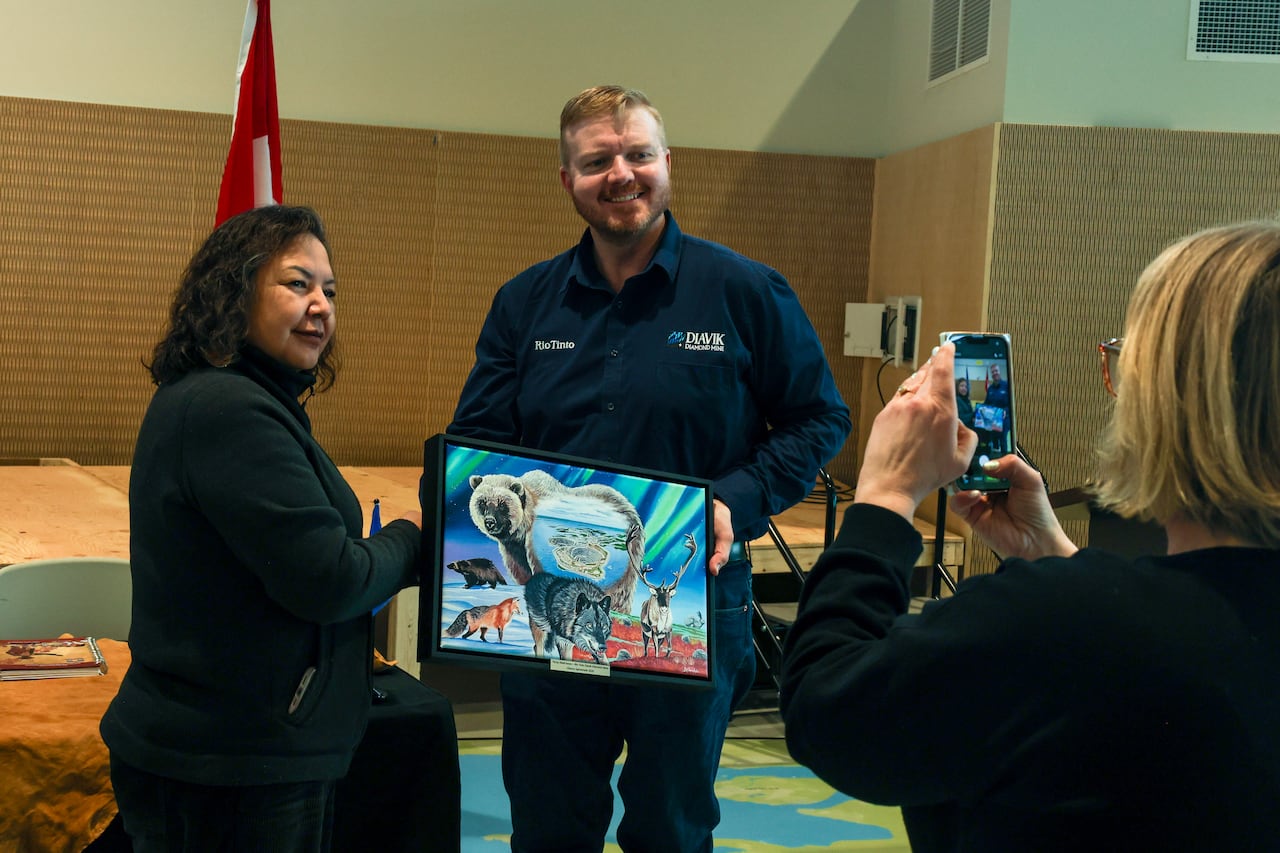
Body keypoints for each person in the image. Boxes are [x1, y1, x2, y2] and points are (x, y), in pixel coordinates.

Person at [779, 220, 1280, 851]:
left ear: (1169, 399)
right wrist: (1057, 559)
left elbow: (829, 713)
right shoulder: (1082, 614)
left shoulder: (1057, 620)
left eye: (1125, 359)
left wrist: (885, 496)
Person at [448, 85, 851, 851]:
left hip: (690, 596)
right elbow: (478, 437)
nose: (621, 174)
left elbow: (820, 417)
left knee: (672, 825)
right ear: (567, 178)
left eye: (637, 154)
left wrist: (734, 499)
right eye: (597, 160)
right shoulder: (524, 303)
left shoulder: (744, 291)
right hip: (549, 603)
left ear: (669, 162)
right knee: (547, 823)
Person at [100, 205, 425, 853]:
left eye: (330, 290)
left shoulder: (237, 396)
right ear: (235, 291)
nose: (321, 306)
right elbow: (330, 579)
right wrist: (413, 535)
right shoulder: (229, 409)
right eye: (297, 284)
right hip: (230, 767)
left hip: (235, 753)